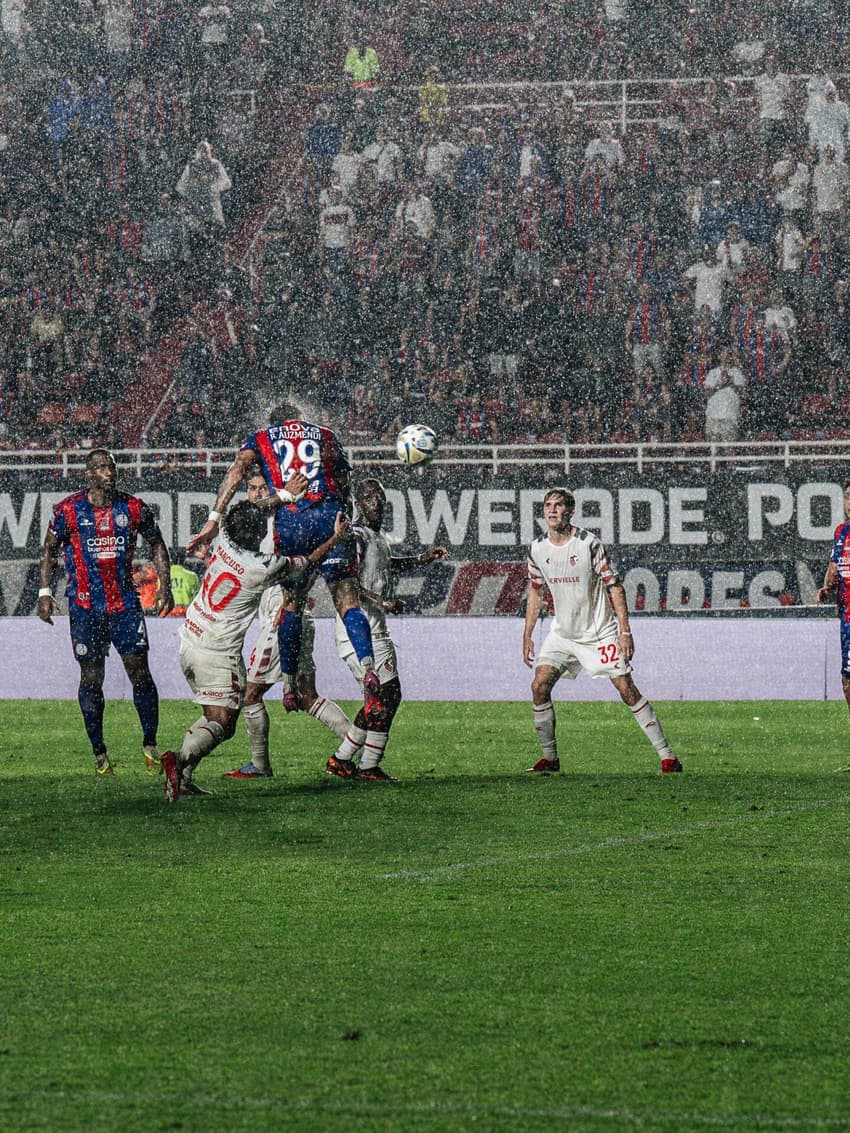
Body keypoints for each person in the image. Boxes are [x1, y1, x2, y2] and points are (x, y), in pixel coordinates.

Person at [185, 402, 381, 716]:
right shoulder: (323, 434)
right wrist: (341, 517)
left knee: (292, 602)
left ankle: (289, 684)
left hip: (292, 519)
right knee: (347, 600)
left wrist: (213, 519)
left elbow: (236, 473)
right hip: (329, 514)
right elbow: (343, 480)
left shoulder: (262, 438)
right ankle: (369, 667)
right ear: (301, 419)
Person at [162, 493, 349, 801]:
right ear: (259, 534)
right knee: (224, 722)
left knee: (214, 713)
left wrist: (283, 495)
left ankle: (182, 778)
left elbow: (242, 515)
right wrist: (335, 537)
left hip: (190, 639)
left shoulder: (223, 540)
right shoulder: (263, 566)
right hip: (218, 652)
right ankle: (178, 760)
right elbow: (309, 563)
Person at [522, 486, 681, 774]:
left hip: (598, 633)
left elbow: (614, 585)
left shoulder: (587, 543)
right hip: (562, 633)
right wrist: (528, 634)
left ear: (570, 511)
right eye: (548, 505)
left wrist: (624, 631)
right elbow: (535, 591)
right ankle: (550, 759)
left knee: (625, 689)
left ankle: (668, 756)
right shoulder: (537, 548)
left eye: (559, 505)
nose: (552, 510)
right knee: (539, 686)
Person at [36, 449, 174, 776]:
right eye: (101, 467)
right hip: (85, 608)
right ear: (88, 474)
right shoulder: (68, 510)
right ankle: (99, 753)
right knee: (92, 678)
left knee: (139, 673)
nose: (109, 472)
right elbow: (49, 550)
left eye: (111, 466)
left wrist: (164, 585)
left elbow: (157, 543)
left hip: (124, 604)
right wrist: (45, 593)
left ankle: (150, 743)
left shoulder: (134, 507)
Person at [224, 469, 353, 779]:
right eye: (251, 488)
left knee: (250, 694)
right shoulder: (255, 526)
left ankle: (260, 765)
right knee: (308, 697)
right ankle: (357, 743)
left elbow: (302, 565)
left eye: (261, 488)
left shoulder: (281, 525)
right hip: (293, 618)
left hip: (282, 618)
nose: (255, 494)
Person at [325, 478, 449, 781]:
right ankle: (362, 764)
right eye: (369, 498)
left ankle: (347, 760)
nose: (377, 503)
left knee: (383, 697)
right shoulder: (354, 536)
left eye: (380, 498)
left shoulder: (376, 536)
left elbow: (386, 565)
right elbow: (348, 583)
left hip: (375, 629)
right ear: (358, 502)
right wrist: (381, 601)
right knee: (384, 696)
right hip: (357, 629)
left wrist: (423, 558)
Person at [817, 482, 850, 734]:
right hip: (847, 617)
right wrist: (826, 587)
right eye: (847, 497)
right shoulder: (841, 532)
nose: (849, 503)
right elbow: (834, 568)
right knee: (847, 679)